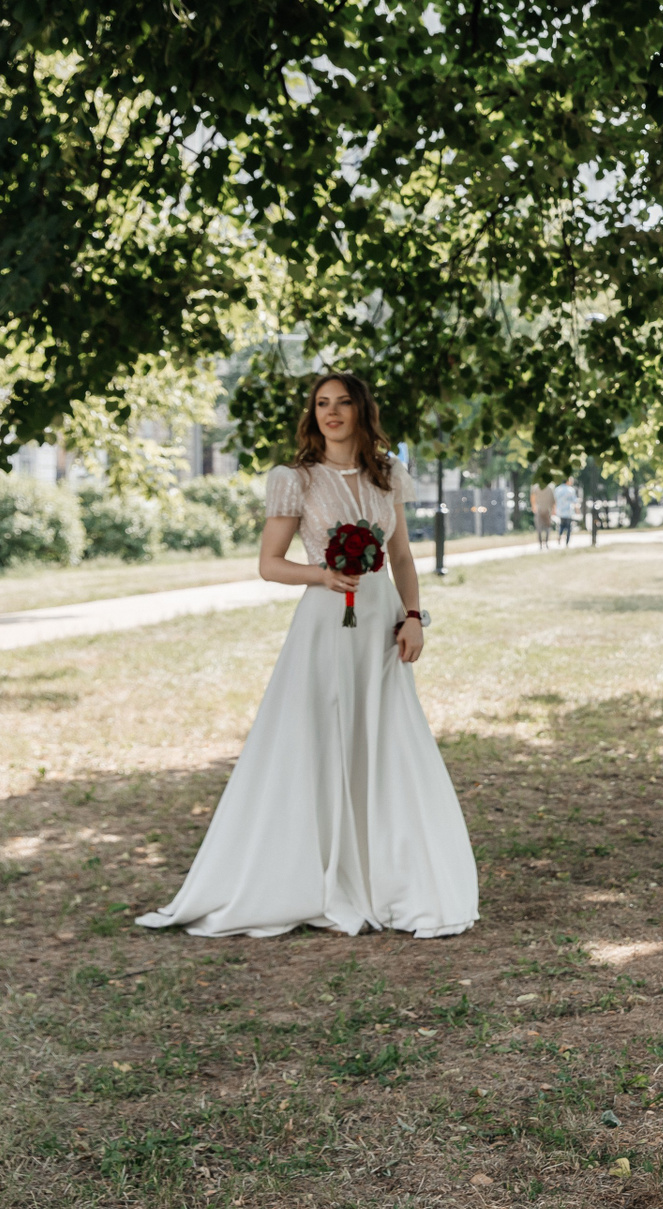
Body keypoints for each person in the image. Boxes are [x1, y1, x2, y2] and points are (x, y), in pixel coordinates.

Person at [138, 371, 479, 939]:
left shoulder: (388, 475)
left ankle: (395, 877)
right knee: (318, 736)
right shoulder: (294, 479)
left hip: (381, 625)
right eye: (322, 403)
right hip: (324, 624)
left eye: (342, 402)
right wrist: (322, 575)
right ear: (313, 413)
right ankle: (309, 873)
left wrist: (414, 616)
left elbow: (401, 557)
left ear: (361, 410)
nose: (332, 412)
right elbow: (269, 563)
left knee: (387, 737)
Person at [530, 482, 556, 549]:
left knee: (539, 527)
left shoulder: (536, 487)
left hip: (538, 509)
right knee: (547, 527)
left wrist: (533, 507)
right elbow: (553, 500)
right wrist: (553, 509)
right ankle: (546, 543)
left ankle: (541, 544)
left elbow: (532, 497)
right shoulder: (550, 487)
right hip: (547, 510)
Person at [553, 479, 578, 546]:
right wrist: (577, 511)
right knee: (568, 527)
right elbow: (575, 501)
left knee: (561, 525)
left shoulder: (557, 489)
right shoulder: (570, 490)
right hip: (568, 511)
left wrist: (554, 510)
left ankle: (560, 535)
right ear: (567, 481)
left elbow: (555, 500)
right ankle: (567, 542)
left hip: (560, 511)